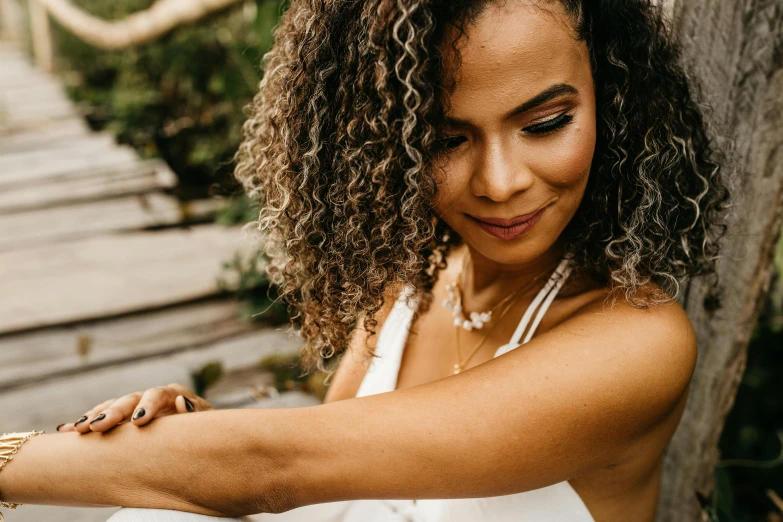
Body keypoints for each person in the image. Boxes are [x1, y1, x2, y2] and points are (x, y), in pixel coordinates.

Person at [0, 1, 730, 521]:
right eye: (446, 140)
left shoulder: (636, 342)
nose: (500, 181)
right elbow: (336, 478)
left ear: (613, 96)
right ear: (386, 141)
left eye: (545, 123)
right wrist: (193, 434)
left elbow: (271, 471)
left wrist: (14, 461)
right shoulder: (409, 289)